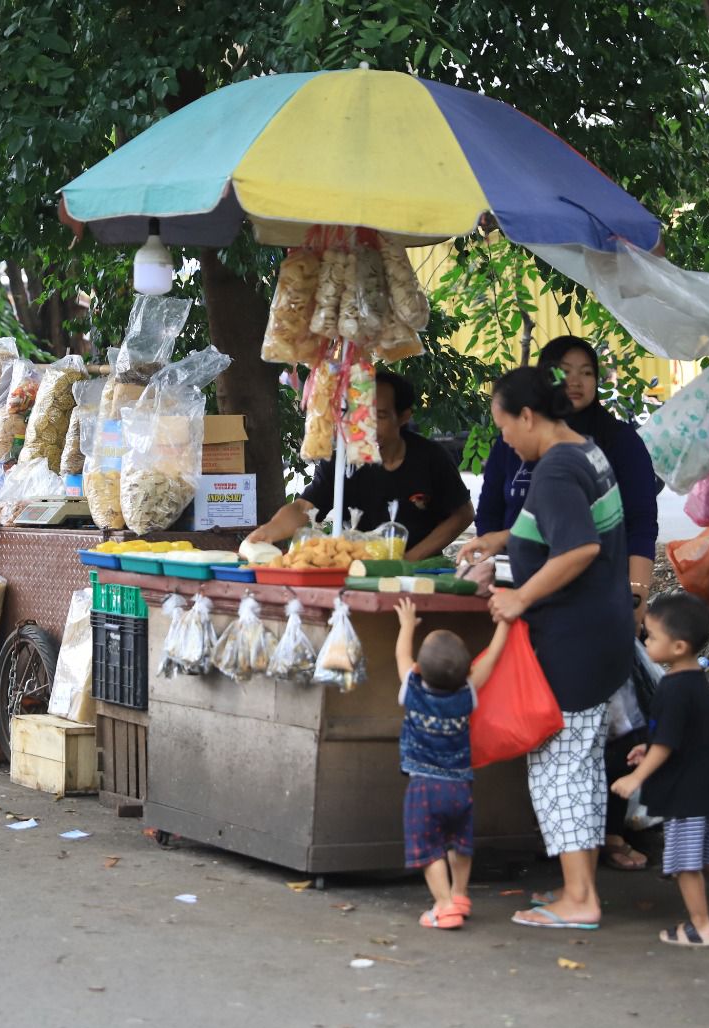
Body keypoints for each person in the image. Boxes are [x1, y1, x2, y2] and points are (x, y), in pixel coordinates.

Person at [461, 335, 661, 873]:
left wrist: (520, 595)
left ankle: (577, 896)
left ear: (527, 416)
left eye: (504, 427)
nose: (504, 439)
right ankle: (582, 886)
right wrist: (506, 539)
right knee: (583, 764)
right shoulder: (584, 452)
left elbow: (579, 548)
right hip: (600, 636)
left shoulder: (554, 468)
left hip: (575, 641)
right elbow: (570, 529)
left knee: (561, 770)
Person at [610, 594, 709, 947]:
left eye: (650, 636)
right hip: (704, 788)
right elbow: (676, 735)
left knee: (685, 863)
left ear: (678, 646)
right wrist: (647, 748)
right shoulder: (695, 680)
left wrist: (638, 776)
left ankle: (702, 927)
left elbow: (666, 743)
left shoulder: (674, 687)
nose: (645, 641)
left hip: (684, 796)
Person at [245, 370, 474, 560]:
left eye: (380, 416)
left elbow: (462, 514)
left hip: (421, 572)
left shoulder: (431, 457)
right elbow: (304, 507)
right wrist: (268, 531)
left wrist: (410, 560)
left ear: (404, 416)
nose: (368, 425)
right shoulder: (339, 461)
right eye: (360, 414)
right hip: (357, 568)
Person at [393, 597, 509, 930]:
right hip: (461, 786)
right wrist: (504, 623)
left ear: (418, 669)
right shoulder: (467, 694)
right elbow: (494, 658)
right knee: (460, 843)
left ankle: (444, 907)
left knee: (429, 848)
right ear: (468, 671)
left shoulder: (412, 690)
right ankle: (459, 894)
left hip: (423, 787)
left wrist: (406, 627)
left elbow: (402, 657)